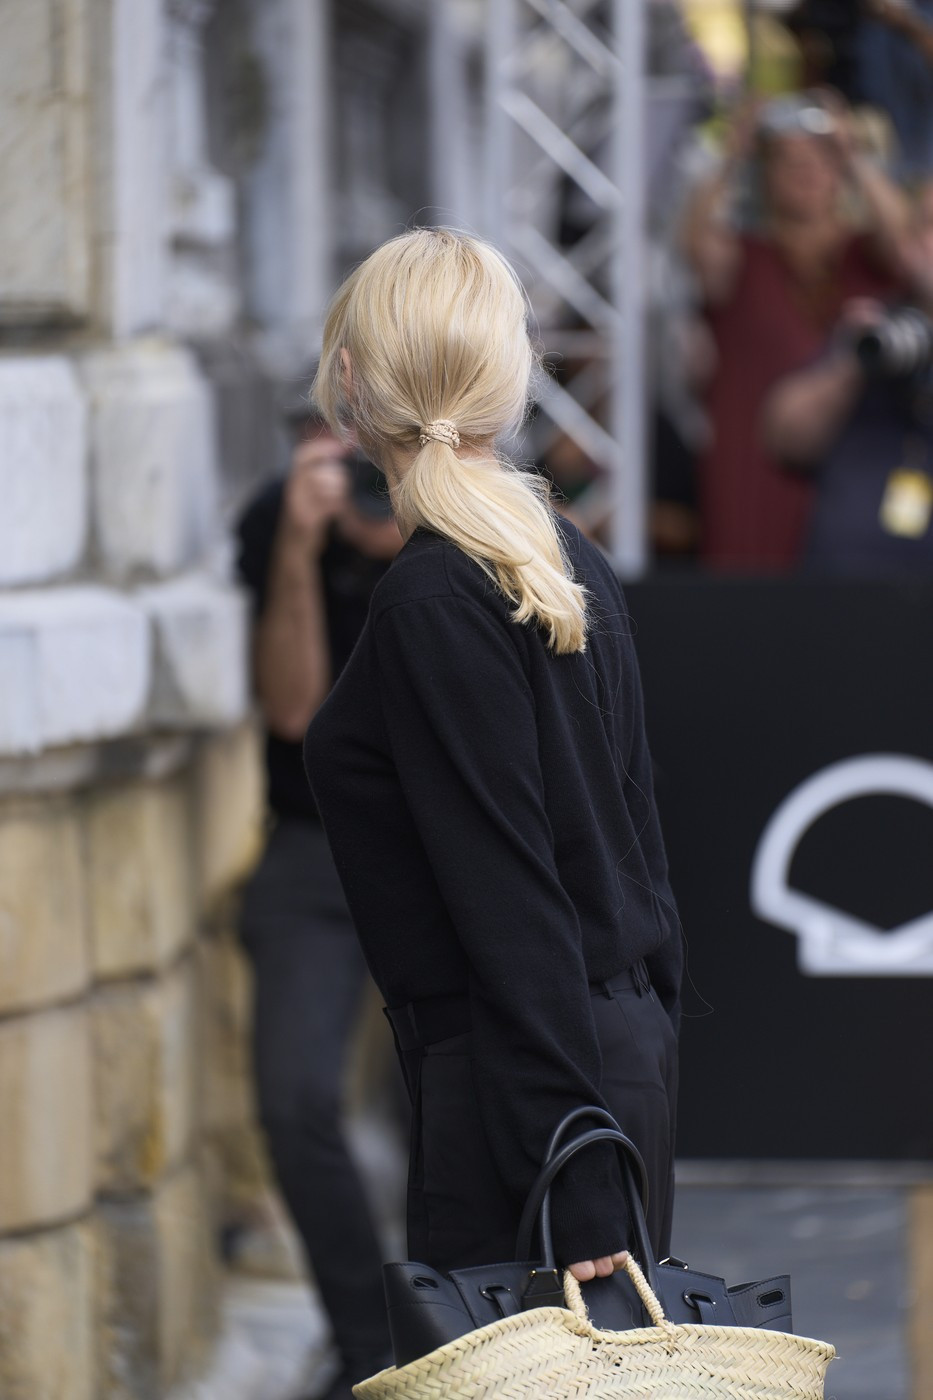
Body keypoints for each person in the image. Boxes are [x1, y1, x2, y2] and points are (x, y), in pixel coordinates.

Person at [303, 229, 682, 1292]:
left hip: (527, 1097)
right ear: (510, 382)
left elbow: (511, 891)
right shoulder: (557, 557)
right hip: (590, 1071)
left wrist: (575, 1153)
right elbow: (638, 847)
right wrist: (636, 1056)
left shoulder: (437, 593)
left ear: (349, 381)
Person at [236, 418, 402, 1399]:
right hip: (314, 846)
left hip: (440, 850)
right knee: (294, 1095)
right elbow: (294, 713)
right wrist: (302, 550)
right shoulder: (284, 521)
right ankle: (364, 1343)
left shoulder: (469, 514)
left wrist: (417, 541)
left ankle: (465, 1336)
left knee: (458, 1107)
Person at [682, 90, 908, 569]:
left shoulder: (866, 253)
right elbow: (694, 243)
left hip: (854, 467)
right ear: (766, 175)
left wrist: (855, 152)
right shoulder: (744, 256)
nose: (806, 172)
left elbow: (907, 240)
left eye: (822, 159)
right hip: (754, 466)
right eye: (788, 161)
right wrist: (733, 152)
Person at [764, 192, 933, 573]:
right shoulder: (875, 328)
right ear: (910, 247)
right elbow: (782, 439)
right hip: (845, 581)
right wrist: (851, 364)